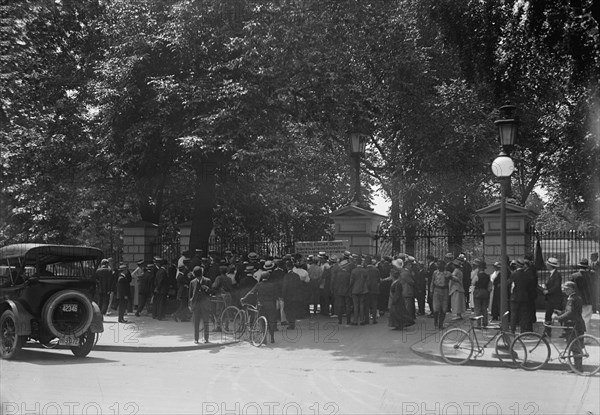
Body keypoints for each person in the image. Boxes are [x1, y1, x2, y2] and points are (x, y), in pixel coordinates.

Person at [553, 281, 586, 372]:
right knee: (574, 347)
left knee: (575, 347)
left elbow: (570, 313)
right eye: (564, 288)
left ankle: (578, 368)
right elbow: (571, 311)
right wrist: (560, 313)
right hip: (577, 324)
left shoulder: (572, 299)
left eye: (567, 289)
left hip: (574, 325)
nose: (565, 290)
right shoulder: (575, 297)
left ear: (572, 289)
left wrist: (559, 317)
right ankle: (577, 367)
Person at [242, 260, 278, 343]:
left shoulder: (259, 284)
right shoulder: (272, 285)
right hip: (271, 304)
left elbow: (251, 292)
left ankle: (264, 338)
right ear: (268, 277)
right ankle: (272, 337)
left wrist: (244, 298)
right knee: (271, 320)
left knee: (262, 321)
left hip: (261, 305)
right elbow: (276, 294)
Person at [508, 259, 537, 333]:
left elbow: (511, 285)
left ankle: (512, 329)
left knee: (514, 314)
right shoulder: (526, 275)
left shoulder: (514, 274)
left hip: (515, 297)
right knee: (523, 314)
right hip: (524, 297)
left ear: (517, 265)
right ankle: (523, 329)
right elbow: (529, 286)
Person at [189, 266, 213, 344]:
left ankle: (206, 338)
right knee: (196, 323)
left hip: (205, 305)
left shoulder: (207, 281)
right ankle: (196, 339)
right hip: (196, 306)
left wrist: (207, 289)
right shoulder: (192, 282)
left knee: (206, 322)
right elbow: (190, 295)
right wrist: (190, 305)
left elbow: (212, 292)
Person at [388, 262, 415, 330]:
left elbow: (397, 293)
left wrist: (394, 300)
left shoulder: (397, 283)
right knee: (397, 313)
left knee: (399, 313)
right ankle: (398, 324)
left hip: (398, 300)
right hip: (397, 299)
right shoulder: (396, 282)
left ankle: (401, 324)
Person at [569, 259, 593, 333]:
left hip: (577, 300)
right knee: (587, 319)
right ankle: (586, 337)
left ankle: (578, 336)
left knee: (577, 318)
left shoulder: (574, 276)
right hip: (588, 300)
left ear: (579, 266)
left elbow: (571, 288)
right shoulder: (592, 275)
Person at [542, 257, 563, 336]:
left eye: (547, 264)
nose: (546, 265)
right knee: (548, 315)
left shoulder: (557, 275)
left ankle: (566, 331)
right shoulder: (550, 274)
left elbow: (556, 286)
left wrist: (548, 291)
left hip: (555, 299)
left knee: (560, 315)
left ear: (550, 265)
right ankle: (547, 331)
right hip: (550, 299)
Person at [282, 261, 304, 330]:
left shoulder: (286, 276)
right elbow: (300, 286)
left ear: (287, 267)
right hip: (295, 296)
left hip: (288, 296)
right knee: (293, 309)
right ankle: (292, 323)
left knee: (287, 310)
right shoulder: (296, 276)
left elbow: (285, 287)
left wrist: (283, 295)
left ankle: (290, 323)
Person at [212, 261, 233, 330]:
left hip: (221, 295)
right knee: (227, 310)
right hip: (228, 295)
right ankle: (226, 326)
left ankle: (218, 326)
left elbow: (215, 286)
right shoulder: (229, 278)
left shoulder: (219, 278)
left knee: (219, 310)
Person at [331, 257, 352, 325]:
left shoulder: (338, 274)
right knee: (347, 305)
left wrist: (334, 289)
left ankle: (340, 320)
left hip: (339, 291)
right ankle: (348, 320)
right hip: (347, 291)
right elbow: (350, 283)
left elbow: (334, 282)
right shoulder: (348, 274)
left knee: (340, 305)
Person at [430, 261, 451, 329]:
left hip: (445, 290)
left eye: (442, 265)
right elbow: (432, 282)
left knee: (444, 308)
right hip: (437, 290)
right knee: (436, 308)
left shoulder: (447, 273)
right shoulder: (435, 273)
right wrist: (431, 291)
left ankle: (441, 324)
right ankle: (436, 320)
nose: (440, 266)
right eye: (439, 265)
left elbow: (452, 279)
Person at [471, 260, 491, 327]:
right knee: (485, 309)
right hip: (485, 293)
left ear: (479, 268)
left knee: (478, 309)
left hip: (478, 293)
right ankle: (485, 323)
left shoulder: (477, 276)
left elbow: (473, 283)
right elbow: (490, 286)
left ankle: (478, 324)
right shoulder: (488, 276)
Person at [349, 257, 368, 325]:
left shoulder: (353, 271)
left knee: (355, 305)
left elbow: (351, 281)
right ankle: (362, 320)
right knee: (362, 305)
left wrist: (350, 288)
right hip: (363, 289)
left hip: (355, 289)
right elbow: (367, 280)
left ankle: (355, 320)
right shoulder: (365, 270)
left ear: (356, 262)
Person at [365, 256, 380, 324]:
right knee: (374, 305)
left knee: (367, 305)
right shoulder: (376, 270)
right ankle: (374, 319)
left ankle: (367, 320)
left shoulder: (365, 270)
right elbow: (378, 280)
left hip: (367, 289)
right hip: (375, 289)